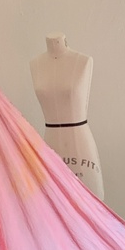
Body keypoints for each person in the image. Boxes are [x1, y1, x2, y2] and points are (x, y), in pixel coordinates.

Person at [29, 32, 105, 198]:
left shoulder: (83, 61)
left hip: (80, 145)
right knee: (55, 208)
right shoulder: (36, 64)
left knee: (90, 209)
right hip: (50, 143)